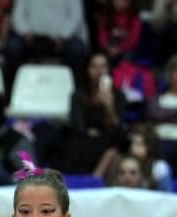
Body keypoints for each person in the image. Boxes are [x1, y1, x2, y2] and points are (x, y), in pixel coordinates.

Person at [50, 50, 127, 180]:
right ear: (87, 69)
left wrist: (108, 107)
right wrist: (95, 133)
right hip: (83, 140)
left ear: (108, 69)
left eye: (103, 67)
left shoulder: (118, 96)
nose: (99, 71)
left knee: (116, 142)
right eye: (94, 67)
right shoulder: (78, 95)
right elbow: (79, 127)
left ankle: (95, 178)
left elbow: (116, 129)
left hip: (106, 140)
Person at [3, 0, 88, 87]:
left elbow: (76, 16)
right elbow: (17, 15)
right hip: (31, 37)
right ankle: (14, 86)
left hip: (62, 39)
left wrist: (63, 35)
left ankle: (71, 87)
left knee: (76, 49)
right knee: (12, 47)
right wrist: (25, 31)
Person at [147, 53, 177, 175]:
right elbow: (155, 114)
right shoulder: (157, 99)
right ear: (170, 74)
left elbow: (160, 115)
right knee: (160, 168)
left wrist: (166, 115)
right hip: (161, 142)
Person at [127, 123, 174, 191]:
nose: (132, 148)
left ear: (149, 146)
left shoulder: (160, 168)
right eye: (132, 143)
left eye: (138, 144)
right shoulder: (128, 164)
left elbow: (166, 196)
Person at [97, 0, 142, 65]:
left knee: (127, 57)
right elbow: (102, 34)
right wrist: (107, 47)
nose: (119, 3)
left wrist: (119, 49)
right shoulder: (106, 15)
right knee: (100, 59)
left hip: (127, 47)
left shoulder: (134, 17)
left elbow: (133, 39)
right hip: (109, 46)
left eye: (124, 1)